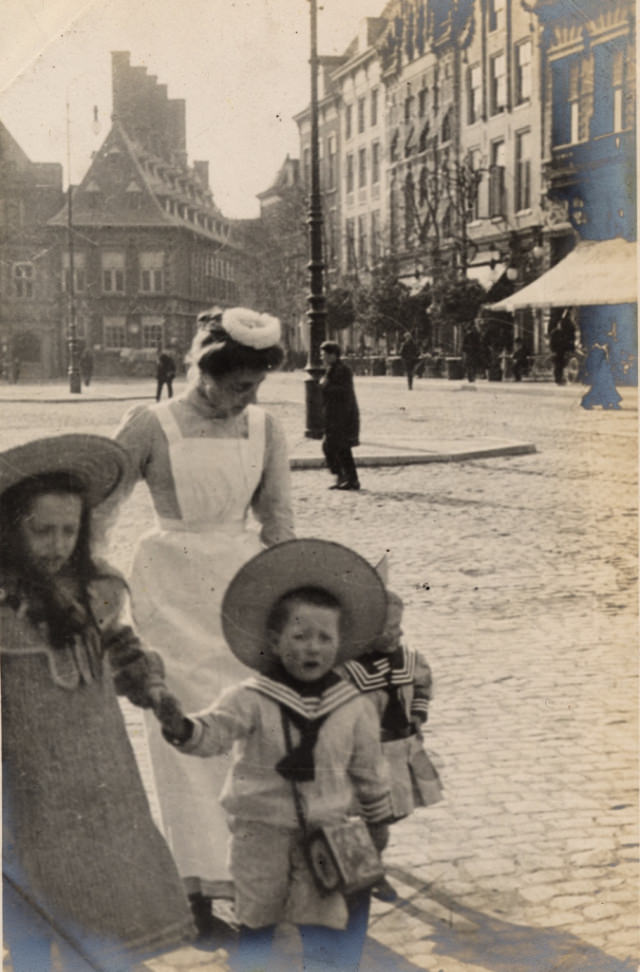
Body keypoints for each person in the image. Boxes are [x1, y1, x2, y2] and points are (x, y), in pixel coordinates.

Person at [108, 306, 295, 940]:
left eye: (257, 386)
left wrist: (293, 603)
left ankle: (253, 879)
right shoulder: (150, 425)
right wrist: (92, 589)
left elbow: (279, 526)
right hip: (169, 590)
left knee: (246, 731)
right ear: (205, 372)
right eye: (239, 384)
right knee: (180, 730)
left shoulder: (266, 429)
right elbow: (100, 511)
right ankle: (191, 886)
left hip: (243, 594)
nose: (249, 398)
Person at [0, 434, 194, 972]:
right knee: (31, 878)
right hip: (29, 774)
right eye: (42, 531)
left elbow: (120, 646)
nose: (57, 544)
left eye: (69, 530)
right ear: (11, 529)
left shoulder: (94, 589)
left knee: (108, 876)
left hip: (101, 766)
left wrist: (153, 691)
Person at [155, 538, 394, 972]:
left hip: (328, 833)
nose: (312, 647)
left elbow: (369, 769)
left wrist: (377, 822)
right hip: (260, 836)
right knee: (257, 926)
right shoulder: (250, 697)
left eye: (325, 637)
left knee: (328, 932)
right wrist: (181, 726)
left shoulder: (353, 706)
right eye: (299, 636)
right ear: (274, 639)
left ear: (340, 643)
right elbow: (214, 731)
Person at [340, 584, 442, 902]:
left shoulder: (408, 659)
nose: (398, 634)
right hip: (365, 757)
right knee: (371, 817)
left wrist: (417, 714)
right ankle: (369, 872)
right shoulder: (347, 671)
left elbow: (423, 685)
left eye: (398, 627)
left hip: (399, 751)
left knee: (389, 814)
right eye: (390, 629)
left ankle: (370, 860)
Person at [320, 340, 360, 491]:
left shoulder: (342, 370)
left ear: (333, 355)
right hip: (335, 414)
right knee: (338, 448)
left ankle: (347, 478)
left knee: (334, 447)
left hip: (342, 415)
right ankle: (346, 478)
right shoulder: (332, 369)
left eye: (324, 354)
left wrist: (324, 386)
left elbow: (343, 391)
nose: (322, 357)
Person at [580, 342, 623, 410]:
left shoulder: (601, 349)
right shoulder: (598, 350)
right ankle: (611, 403)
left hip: (603, 370)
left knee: (603, 387)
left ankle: (607, 403)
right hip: (602, 370)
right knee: (601, 387)